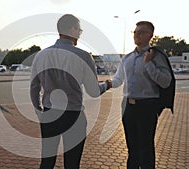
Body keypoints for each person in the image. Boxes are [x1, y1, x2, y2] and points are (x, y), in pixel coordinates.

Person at [30, 14, 110, 169]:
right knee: (72, 163)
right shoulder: (83, 56)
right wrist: (107, 85)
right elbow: (93, 91)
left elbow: (34, 88)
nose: (80, 33)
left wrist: (39, 111)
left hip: (49, 113)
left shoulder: (41, 55)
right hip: (73, 115)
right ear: (72, 29)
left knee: (47, 161)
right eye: (79, 30)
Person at [108, 21, 172, 168]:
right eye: (135, 32)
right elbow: (118, 79)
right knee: (132, 147)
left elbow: (166, 82)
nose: (137, 35)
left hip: (147, 106)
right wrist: (106, 85)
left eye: (141, 32)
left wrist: (149, 64)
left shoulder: (156, 56)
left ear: (150, 35)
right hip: (127, 107)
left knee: (146, 148)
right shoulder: (127, 58)